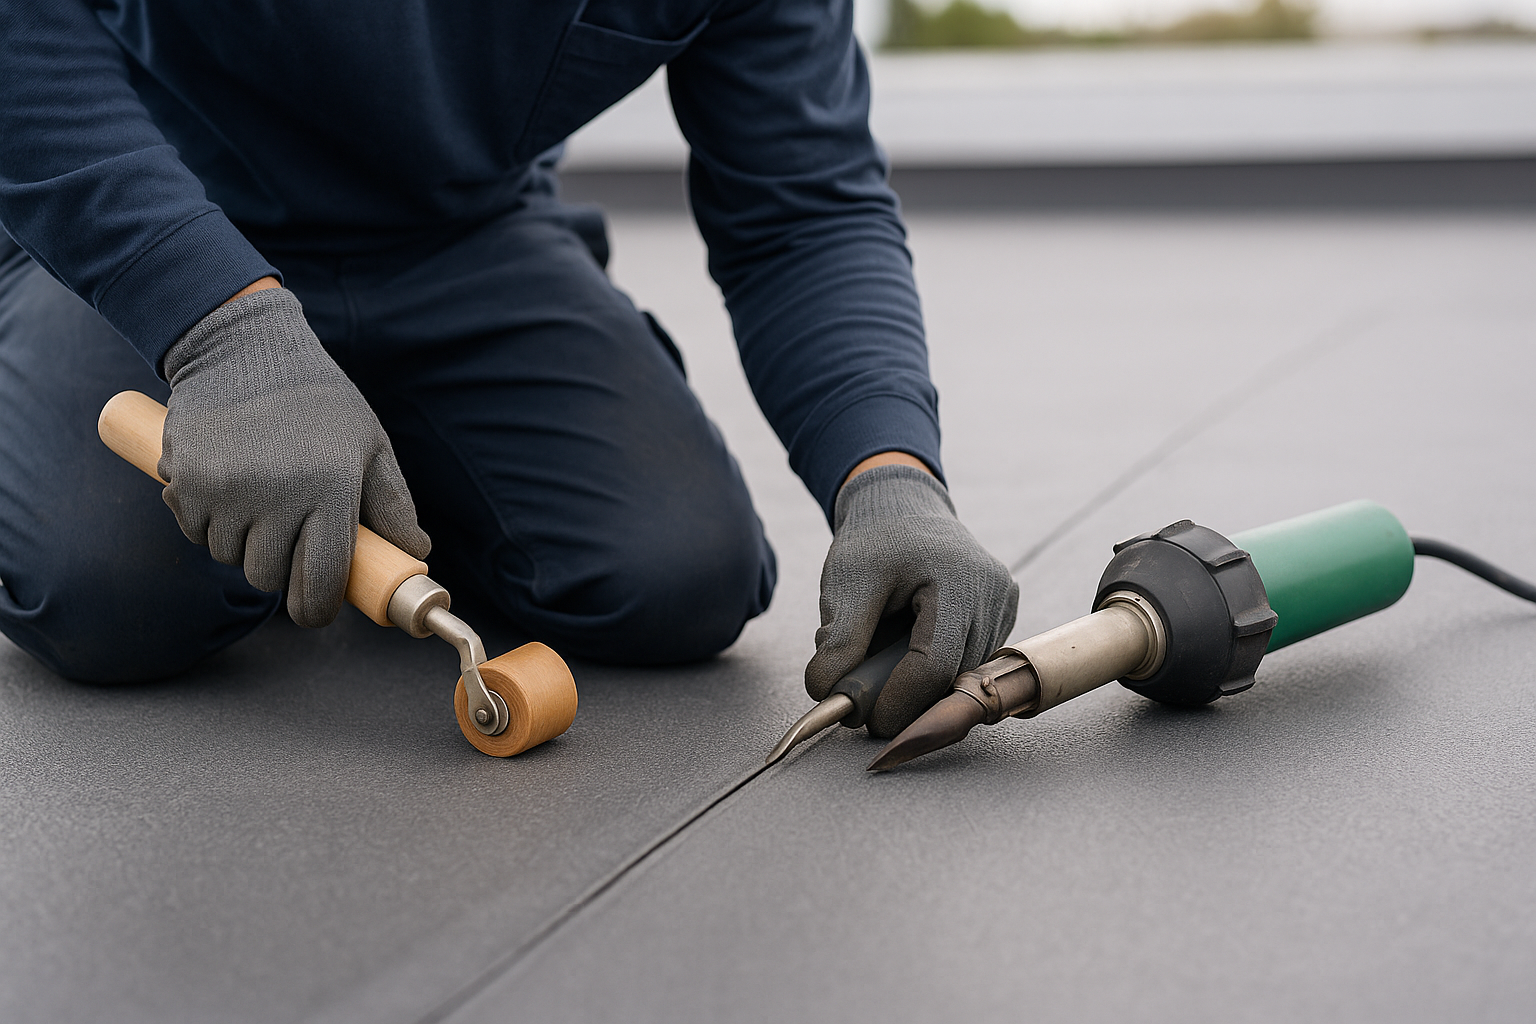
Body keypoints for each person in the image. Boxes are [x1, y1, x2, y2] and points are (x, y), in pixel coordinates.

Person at [0, 0, 1017, 738]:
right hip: (151, 204)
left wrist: (890, 475)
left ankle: (370, 450)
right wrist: (222, 332)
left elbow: (803, 207)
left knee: (678, 578)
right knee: (113, 594)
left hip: (461, 232)